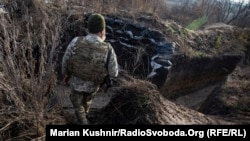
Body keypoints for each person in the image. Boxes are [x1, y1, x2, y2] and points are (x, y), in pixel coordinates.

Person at [61, 13, 119, 125]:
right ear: (102, 30)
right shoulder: (108, 48)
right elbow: (114, 73)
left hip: (76, 83)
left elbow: (65, 61)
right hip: (93, 86)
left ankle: (83, 122)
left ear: (89, 28)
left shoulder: (76, 41)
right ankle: (84, 119)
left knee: (77, 103)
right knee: (86, 102)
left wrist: (66, 76)